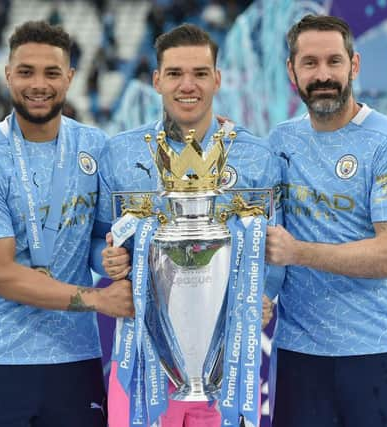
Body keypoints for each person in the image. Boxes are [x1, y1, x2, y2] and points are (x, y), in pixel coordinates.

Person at [97, 23, 282, 427]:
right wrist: (107, 260)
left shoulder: (255, 158)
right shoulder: (120, 154)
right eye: (176, 73)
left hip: (227, 363)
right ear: (157, 80)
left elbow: (276, 251)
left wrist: (264, 296)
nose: (188, 85)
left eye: (200, 73)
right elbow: (98, 240)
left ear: (217, 78)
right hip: (142, 361)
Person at [0, 21, 133, 427]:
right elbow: (4, 276)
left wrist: (112, 262)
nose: (39, 84)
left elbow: (102, 241)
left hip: (75, 359)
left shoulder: (94, 147)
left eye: (52, 73)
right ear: (8, 75)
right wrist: (98, 298)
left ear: (69, 77)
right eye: (26, 71)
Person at [265, 14, 387, 427]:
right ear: (291, 71)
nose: (323, 75)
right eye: (310, 63)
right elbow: (261, 236)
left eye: (334, 62)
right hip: (299, 355)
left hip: (378, 353)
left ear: (353, 65)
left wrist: (298, 252)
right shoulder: (280, 142)